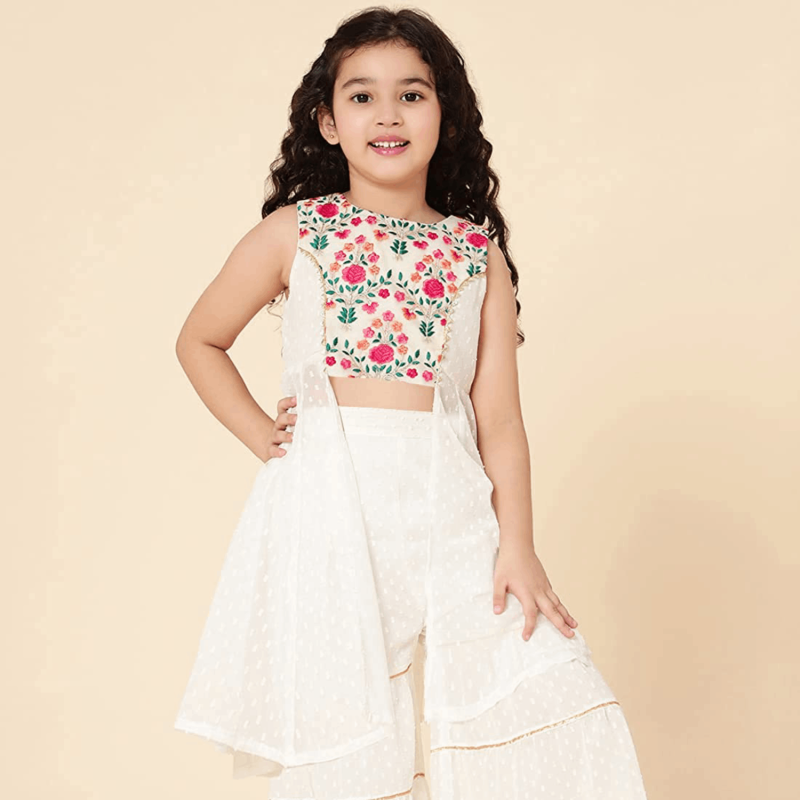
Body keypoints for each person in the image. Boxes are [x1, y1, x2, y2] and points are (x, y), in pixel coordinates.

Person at [173, 7, 648, 799]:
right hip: (327, 513)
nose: (388, 115)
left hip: (449, 508)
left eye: (412, 95)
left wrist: (518, 544)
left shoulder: (475, 255)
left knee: (539, 675)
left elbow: (499, 421)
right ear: (328, 122)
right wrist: (264, 436)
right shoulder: (297, 233)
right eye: (362, 97)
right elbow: (199, 339)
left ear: (445, 116)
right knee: (347, 724)